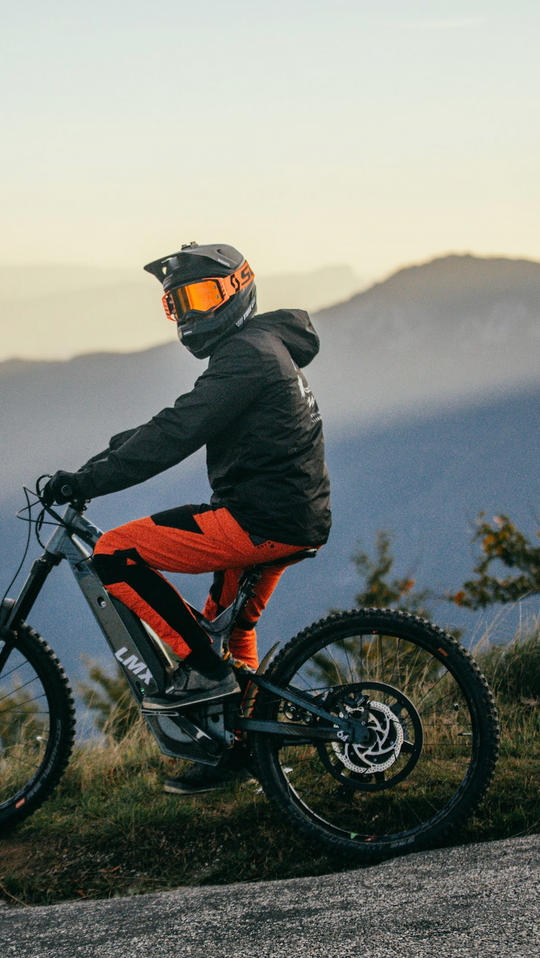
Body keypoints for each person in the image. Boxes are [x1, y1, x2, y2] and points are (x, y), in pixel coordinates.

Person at [41, 242, 332, 794]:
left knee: (113, 552)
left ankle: (205, 672)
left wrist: (89, 482)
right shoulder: (260, 347)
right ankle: (238, 751)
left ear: (236, 290)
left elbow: (178, 433)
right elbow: (178, 420)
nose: (190, 313)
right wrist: (103, 460)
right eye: (179, 303)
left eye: (200, 297)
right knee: (233, 630)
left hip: (258, 521)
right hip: (290, 517)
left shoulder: (247, 355)